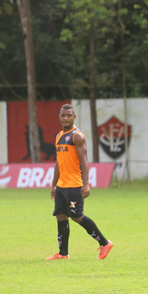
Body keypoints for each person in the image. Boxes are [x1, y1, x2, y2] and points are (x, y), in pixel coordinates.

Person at [46, 104, 113, 260]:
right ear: (59, 117)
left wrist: (86, 183)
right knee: (61, 216)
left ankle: (104, 243)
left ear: (74, 117)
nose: (66, 118)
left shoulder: (77, 136)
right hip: (62, 185)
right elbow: (58, 162)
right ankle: (63, 254)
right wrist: (54, 184)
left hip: (74, 184)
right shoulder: (59, 136)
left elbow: (84, 161)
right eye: (63, 115)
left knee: (76, 216)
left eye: (69, 115)